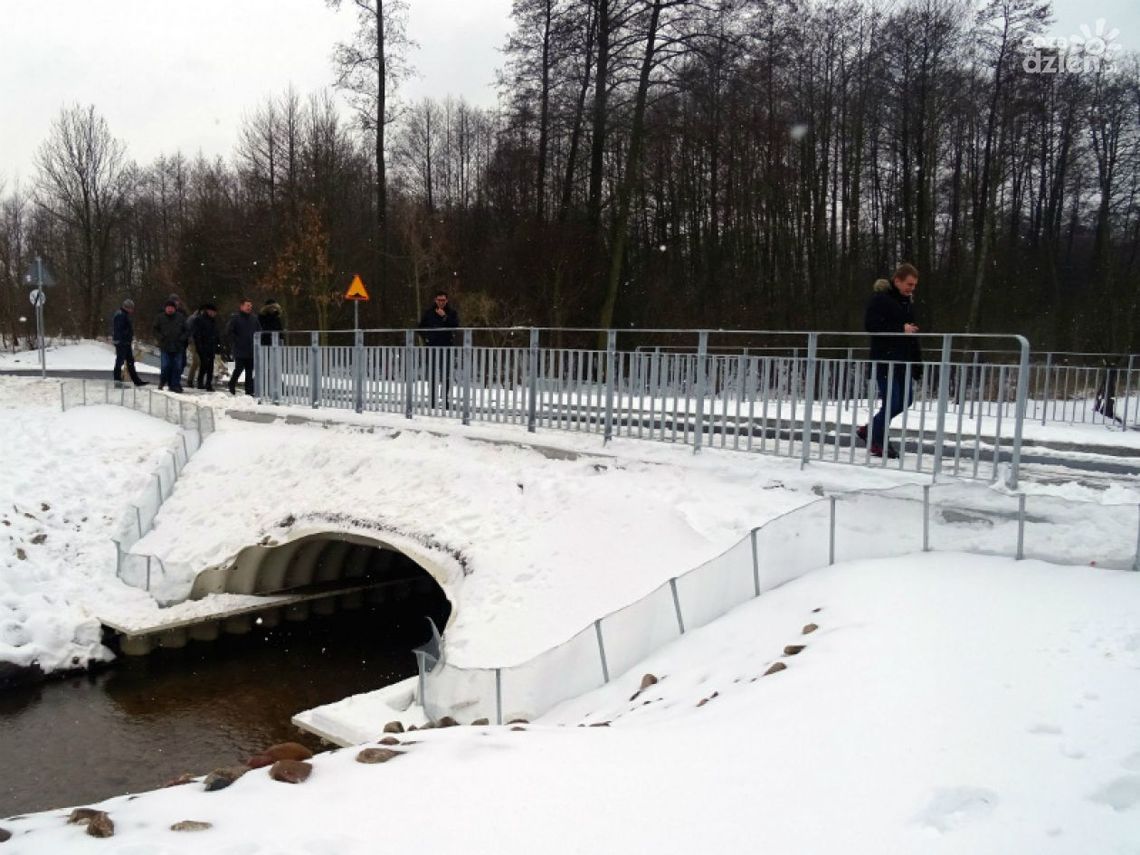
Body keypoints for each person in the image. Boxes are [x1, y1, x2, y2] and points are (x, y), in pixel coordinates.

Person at [858, 263, 923, 458]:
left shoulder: (906, 303)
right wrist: (900, 329)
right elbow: (871, 325)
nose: (911, 288)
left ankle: (870, 430)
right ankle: (877, 440)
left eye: (914, 285)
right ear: (897, 281)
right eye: (909, 284)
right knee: (893, 400)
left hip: (903, 361)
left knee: (905, 400)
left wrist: (917, 363)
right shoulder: (880, 300)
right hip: (885, 359)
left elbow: (912, 336)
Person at [417, 291, 459, 407]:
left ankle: (445, 400)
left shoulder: (451, 312)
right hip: (432, 347)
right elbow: (420, 328)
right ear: (435, 300)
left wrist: (444, 317)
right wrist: (427, 338)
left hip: (447, 347)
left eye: (443, 300)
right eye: (439, 300)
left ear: (447, 301)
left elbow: (455, 326)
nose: (441, 302)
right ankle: (432, 400)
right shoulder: (429, 313)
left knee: (446, 375)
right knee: (432, 375)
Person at [226, 297, 261, 396]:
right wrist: (236, 341)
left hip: (251, 348)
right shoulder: (235, 318)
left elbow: (259, 331)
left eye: (250, 306)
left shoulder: (254, 318)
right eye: (247, 305)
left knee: (249, 371)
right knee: (239, 368)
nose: (249, 307)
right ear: (241, 306)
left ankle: (248, 390)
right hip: (240, 348)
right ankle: (232, 384)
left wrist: (257, 341)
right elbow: (229, 331)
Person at [153, 299, 189, 393]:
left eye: (172, 308)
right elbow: (155, 329)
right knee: (165, 366)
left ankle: (174, 384)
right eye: (168, 308)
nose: (170, 309)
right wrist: (160, 337)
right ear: (165, 308)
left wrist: (182, 338)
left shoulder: (180, 317)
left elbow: (187, 330)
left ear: (175, 309)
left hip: (178, 346)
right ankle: (162, 381)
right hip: (165, 346)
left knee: (177, 366)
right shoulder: (160, 317)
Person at [111, 298, 148, 386]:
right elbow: (120, 330)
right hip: (122, 342)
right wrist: (125, 338)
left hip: (125, 342)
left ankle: (136, 381)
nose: (132, 310)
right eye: (132, 308)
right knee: (120, 362)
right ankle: (117, 381)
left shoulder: (123, 314)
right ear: (128, 307)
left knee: (130, 362)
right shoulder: (121, 315)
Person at [192, 303, 221, 391]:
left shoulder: (213, 321)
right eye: (212, 312)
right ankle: (200, 382)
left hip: (211, 345)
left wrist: (218, 344)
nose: (214, 314)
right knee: (204, 364)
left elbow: (215, 333)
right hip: (203, 345)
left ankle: (208, 383)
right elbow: (197, 334)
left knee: (210, 366)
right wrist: (199, 345)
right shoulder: (199, 319)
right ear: (208, 311)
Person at [185, 304, 204, 388]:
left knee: (197, 362)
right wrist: (190, 339)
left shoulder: (202, 319)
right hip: (193, 341)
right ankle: (191, 380)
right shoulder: (193, 318)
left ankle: (191, 380)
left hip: (199, 342)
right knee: (196, 361)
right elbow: (187, 329)